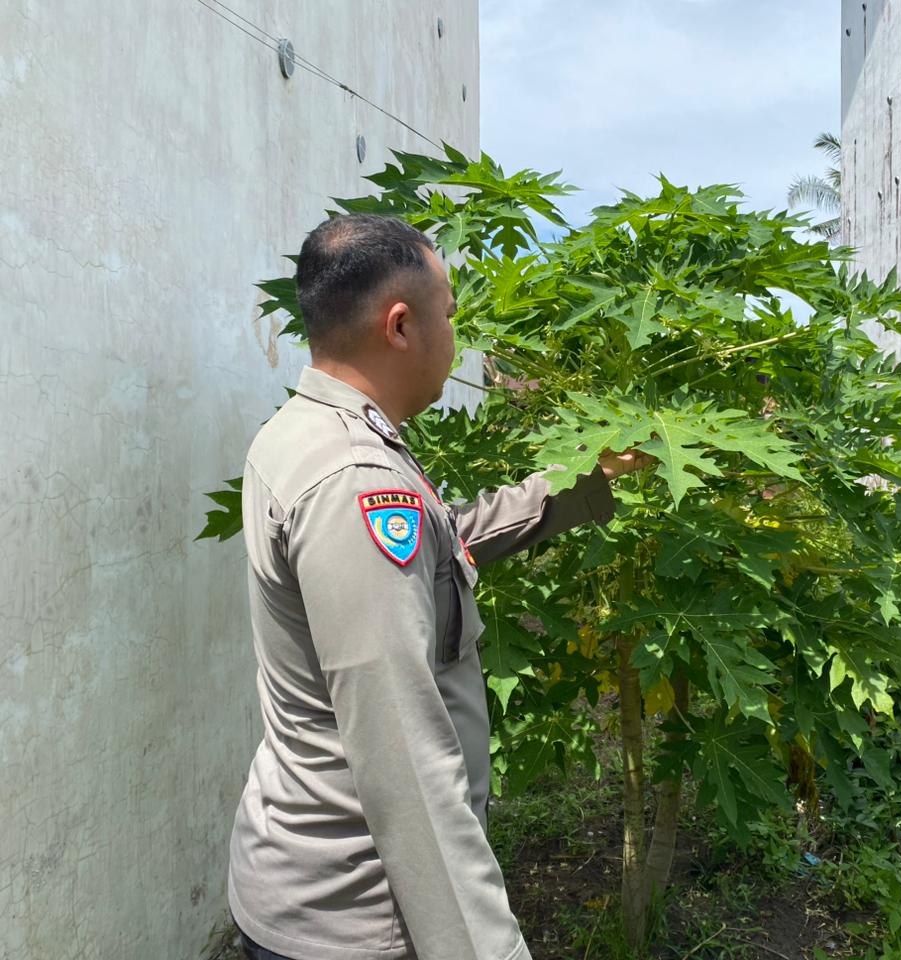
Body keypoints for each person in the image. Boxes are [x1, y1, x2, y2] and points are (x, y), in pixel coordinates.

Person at [227, 214, 648, 960]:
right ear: (400, 326)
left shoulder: (311, 431)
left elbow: (440, 541)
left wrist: (584, 478)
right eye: (450, 315)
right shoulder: (354, 480)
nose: (456, 336)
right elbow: (404, 758)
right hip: (358, 917)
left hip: (317, 892)